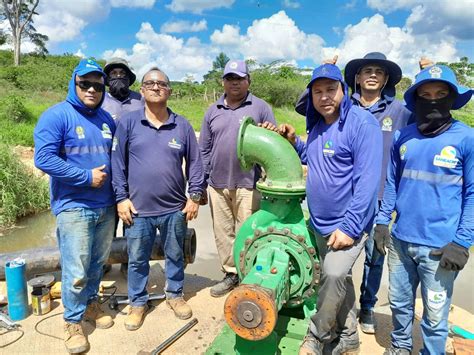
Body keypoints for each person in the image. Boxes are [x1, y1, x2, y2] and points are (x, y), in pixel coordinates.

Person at [270, 64, 382, 355]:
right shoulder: (319, 126)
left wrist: (350, 228)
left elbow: (368, 183)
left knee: (332, 275)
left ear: (344, 90)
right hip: (319, 223)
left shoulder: (362, 124)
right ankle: (349, 337)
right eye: (317, 91)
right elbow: (315, 157)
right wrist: (294, 141)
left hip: (348, 225)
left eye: (330, 89)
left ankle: (317, 337)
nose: (324, 97)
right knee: (339, 279)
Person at [374, 64, 473, 355]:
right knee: (400, 303)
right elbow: (392, 182)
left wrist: (463, 241)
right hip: (401, 241)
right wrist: (382, 223)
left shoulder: (466, 139)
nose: (432, 101)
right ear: (416, 100)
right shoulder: (403, 137)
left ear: (452, 98)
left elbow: (472, 194)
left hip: (440, 248)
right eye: (425, 95)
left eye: (440, 94)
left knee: (434, 314)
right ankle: (400, 347)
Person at [111, 67, 204, 330]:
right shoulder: (128, 123)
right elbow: (117, 163)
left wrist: (194, 196)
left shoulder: (182, 125)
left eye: (161, 84)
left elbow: (196, 164)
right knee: (137, 258)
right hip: (137, 210)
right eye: (149, 83)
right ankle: (138, 302)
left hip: (174, 208)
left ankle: (175, 294)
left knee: (175, 254)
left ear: (169, 90)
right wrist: (121, 198)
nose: (155, 87)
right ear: (141, 90)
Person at [34, 59, 116, 354]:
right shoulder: (56, 116)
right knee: (76, 267)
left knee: (98, 262)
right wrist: (84, 177)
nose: (92, 89)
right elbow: (43, 159)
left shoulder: (107, 119)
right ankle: (72, 322)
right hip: (73, 206)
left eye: (97, 85)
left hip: (106, 206)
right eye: (86, 83)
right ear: (74, 83)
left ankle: (91, 304)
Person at [344, 52, 412, 334]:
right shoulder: (344, 105)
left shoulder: (399, 110)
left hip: (382, 197)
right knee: (341, 254)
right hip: (346, 194)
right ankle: (342, 306)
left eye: (378, 72)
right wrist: (326, 65)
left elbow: (432, 116)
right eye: (366, 70)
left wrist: (428, 71)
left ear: (385, 80)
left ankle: (368, 307)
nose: (372, 74)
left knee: (375, 256)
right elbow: (304, 106)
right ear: (357, 78)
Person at [198, 59, 276, 297]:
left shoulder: (260, 107)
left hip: (248, 184)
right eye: (230, 78)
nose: (235, 83)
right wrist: (201, 184)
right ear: (223, 82)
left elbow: (273, 146)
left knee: (249, 232)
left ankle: (248, 275)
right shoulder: (213, 110)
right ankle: (231, 274)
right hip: (217, 184)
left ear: (248, 81)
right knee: (223, 233)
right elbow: (204, 149)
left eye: (240, 78)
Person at [102, 58, 143, 275]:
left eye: (122, 73)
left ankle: (128, 262)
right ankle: (106, 259)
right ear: (107, 79)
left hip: (134, 170)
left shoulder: (140, 100)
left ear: (129, 78)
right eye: (113, 74)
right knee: (109, 219)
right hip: (106, 170)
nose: (118, 77)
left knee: (131, 219)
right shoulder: (99, 100)